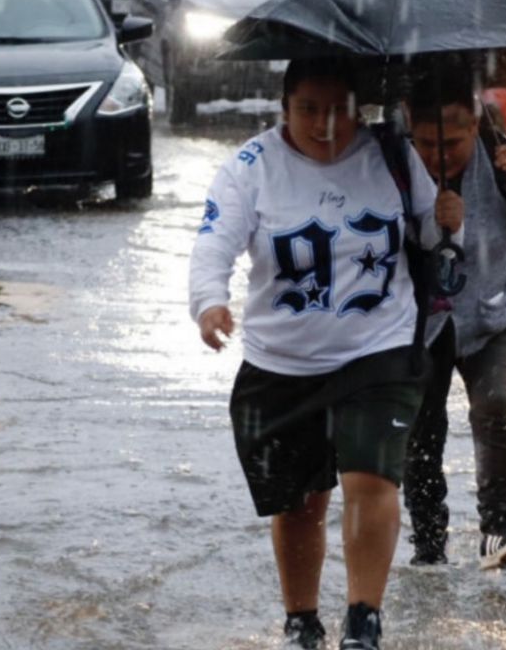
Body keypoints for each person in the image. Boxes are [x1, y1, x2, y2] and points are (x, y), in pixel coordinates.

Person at [189, 58, 464, 650]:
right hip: (281, 363)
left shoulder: (390, 155)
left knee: (370, 477)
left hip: (379, 350)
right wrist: (210, 302)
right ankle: (301, 621)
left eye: (337, 109)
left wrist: (448, 223)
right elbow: (213, 244)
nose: (323, 124)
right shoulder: (250, 168)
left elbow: (434, 239)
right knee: (301, 502)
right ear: (283, 107)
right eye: (307, 109)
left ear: (358, 107)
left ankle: (363, 619)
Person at [403, 76, 506, 571]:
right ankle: (429, 545)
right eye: (426, 143)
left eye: (451, 143)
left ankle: (499, 528)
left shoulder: (502, 154)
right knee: (421, 432)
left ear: (473, 126)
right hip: (419, 322)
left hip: (494, 313)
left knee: (495, 405)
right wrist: (428, 220)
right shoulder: (394, 164)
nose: (438, 155)